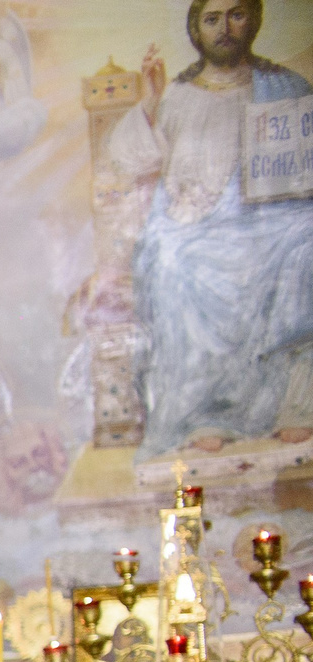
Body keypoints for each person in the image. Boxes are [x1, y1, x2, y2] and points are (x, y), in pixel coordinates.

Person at [106, 0, 313, 454]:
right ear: (196, 30)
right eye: (212, 19)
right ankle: (203, 414)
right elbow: (132, 159)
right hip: (194, 225)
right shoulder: (177, 95)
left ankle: (293, 407)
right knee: (172, 262)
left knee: (308, 243)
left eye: (236, 14)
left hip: (272, 221)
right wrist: (150, 102)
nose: (225, 28)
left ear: (253, 21)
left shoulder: (288, 87)